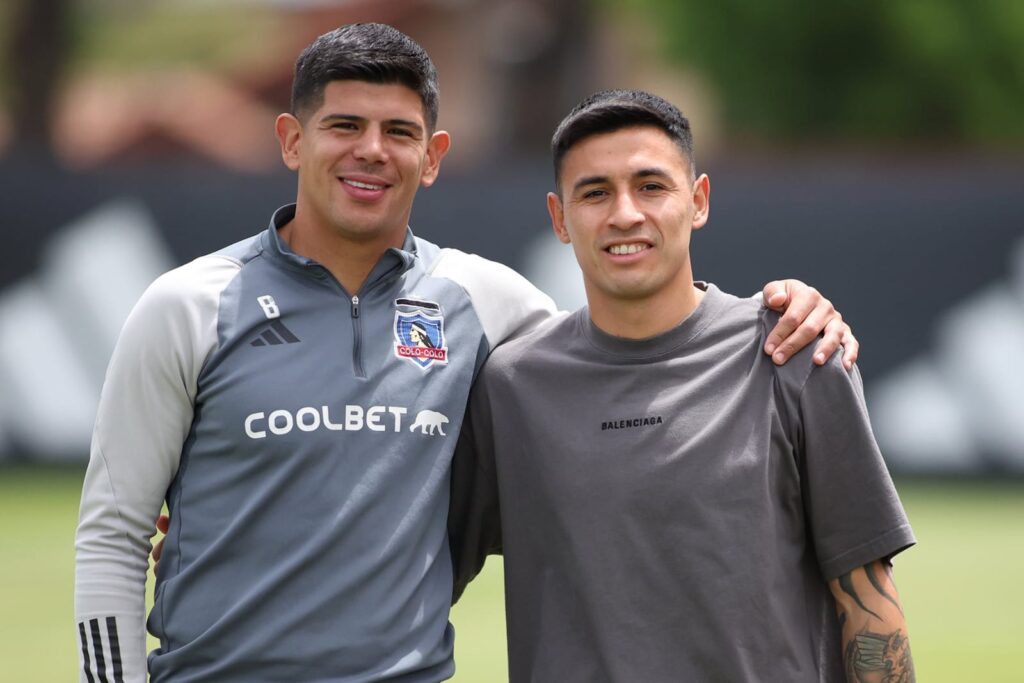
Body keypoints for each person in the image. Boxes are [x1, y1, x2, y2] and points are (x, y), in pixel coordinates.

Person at [75, 24, 857, 683]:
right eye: (344, 126)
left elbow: (627, 360)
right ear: (291, 140)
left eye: (400, 132)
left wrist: (789, 311)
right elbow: (113, 534)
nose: (371, 151)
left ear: (435, 153)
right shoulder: (187, 306)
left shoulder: (489, 302)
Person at [450, 89, 915, 682]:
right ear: (559, 219)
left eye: (651, 186)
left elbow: (870, 605)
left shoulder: (798, 352)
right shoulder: (510, 388)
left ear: (698, 201)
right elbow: (420, 574)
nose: (625, 213)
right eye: (595, 192)